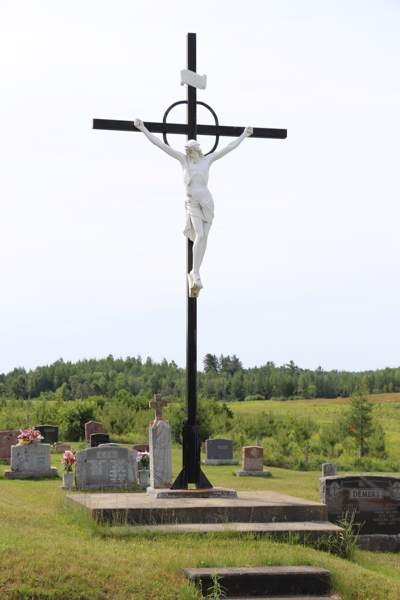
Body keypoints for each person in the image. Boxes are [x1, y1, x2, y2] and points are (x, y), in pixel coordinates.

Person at [134, 118, 253, 296]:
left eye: (191, 151)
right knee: (200, 234)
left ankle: (196, 272)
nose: (188, 154)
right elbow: (160, 144)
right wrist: (143, 128)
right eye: (187, 151)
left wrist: (244, 135)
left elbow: (228, 147)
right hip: (192, 204)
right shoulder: (183, 161)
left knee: (205, 238)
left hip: (206, 202)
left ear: (197, 150)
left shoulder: (207, 160)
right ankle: (195, 272)